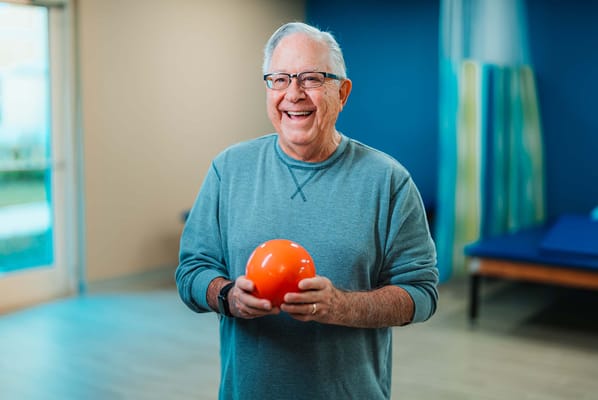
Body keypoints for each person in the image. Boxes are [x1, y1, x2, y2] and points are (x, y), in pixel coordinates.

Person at [176, 21, 438, 400]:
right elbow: (191, 272)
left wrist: (340, 307)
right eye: (279, 79)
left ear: (342, 92)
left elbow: (422, 294)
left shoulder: (389, 181)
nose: (293, 94)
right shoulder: (228, 170)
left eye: (311, 78)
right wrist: (229, 296)